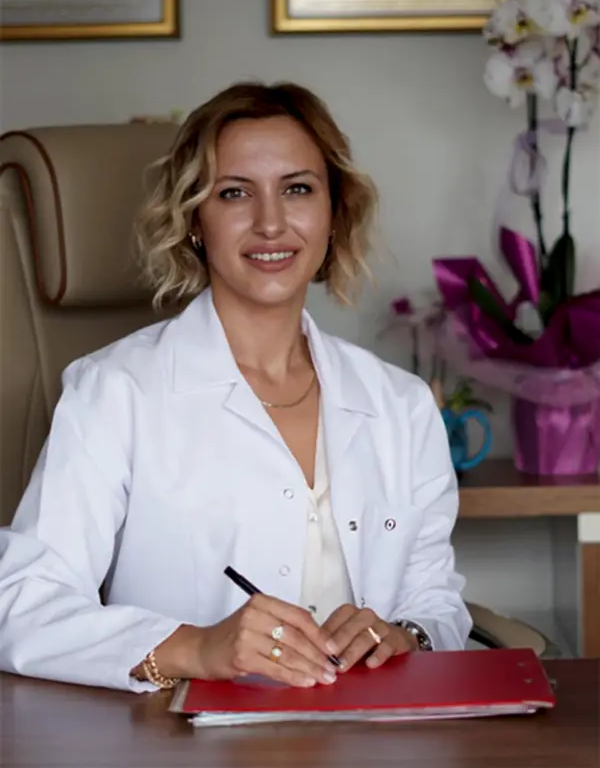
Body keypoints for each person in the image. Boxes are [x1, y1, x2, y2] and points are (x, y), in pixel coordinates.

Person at [0, 82, 471, 693]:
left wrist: (408, 634)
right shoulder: (114, 393)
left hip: (368, 730)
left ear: (334, 214)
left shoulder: (401, 405)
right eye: (234, 193)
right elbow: (21, 605)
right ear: (196, 221)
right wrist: (197, 647)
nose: (271, 223)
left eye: (297, 189)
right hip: (182, 735)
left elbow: (436, 600)